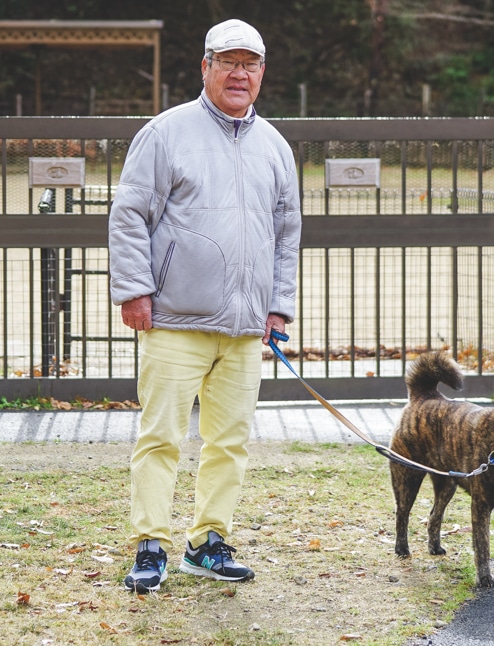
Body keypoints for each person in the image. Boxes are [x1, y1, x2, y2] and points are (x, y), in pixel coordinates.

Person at [108, 18, 301, 594]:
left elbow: (286, 233)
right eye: (228, 62)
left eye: (251, 64)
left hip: (245, 328)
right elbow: (130, 217)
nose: (239, 74)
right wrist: (134, 290)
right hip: (174, 319)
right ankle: (150, 545)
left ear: (263, 73)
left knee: (230, 442)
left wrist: (278, 306)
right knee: (160, 437)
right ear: (206, 68)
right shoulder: (166, 133)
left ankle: (208, 543)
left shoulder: (275, 146)